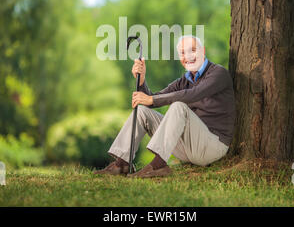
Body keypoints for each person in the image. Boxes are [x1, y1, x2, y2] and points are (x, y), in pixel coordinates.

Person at [94, 35, 236, 178]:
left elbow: (193, 94)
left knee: (178, 106)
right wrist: (142, 81)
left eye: (192, 50)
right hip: (189, 148)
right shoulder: (184, 80)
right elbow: (154, 98)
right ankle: (121, 165)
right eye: (182, 53)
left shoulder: (218, 73)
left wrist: (151, 99)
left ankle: (158, 166)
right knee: (143, 111)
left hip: (212, 146)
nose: (188, 56)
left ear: (203, 51)